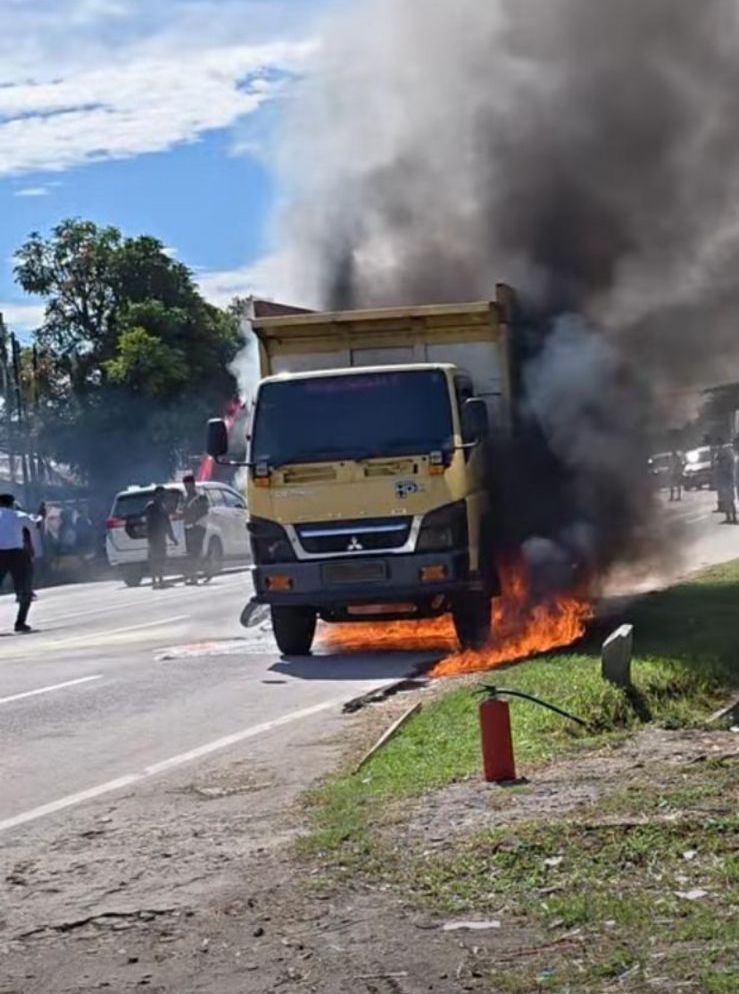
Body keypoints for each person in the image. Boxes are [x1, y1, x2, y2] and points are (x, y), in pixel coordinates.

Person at [0, 494, 34, 633]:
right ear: (12, 503)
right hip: (17, 555)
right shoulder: (19, 515)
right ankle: (20, 622)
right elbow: (34, 523)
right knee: (25, 590)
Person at [145, 487, 178, 589]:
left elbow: (167, 524)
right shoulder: (152, 507)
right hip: (155, 536)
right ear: (156, 495)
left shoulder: (161, 507)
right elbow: (150, 522)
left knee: (160, 558)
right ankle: (155, 581)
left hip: (159, 536)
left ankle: (159, 580)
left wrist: (172, 537)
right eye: (161, 494)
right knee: (155, 559)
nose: (162, 496)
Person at [182, 474, 209, 585]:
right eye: (185, 485)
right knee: (191, 552)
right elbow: (184, 511)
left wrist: (194, 519)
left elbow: (204, 511)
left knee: (196, 551)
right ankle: (198, 574)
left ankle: (196, 576)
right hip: (188, 527)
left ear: (193, 484)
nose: (186, 487)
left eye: (188, 485)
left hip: (198, 527)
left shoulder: (200, 497)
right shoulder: (185, 498)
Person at [716, 443, 737, 525]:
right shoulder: (722, 463)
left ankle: (733, 517)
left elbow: (730, 473)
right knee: (726, 501)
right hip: (724, 483)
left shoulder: (727, 463)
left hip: (727, 482)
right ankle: (729, 517)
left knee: (730, 500)